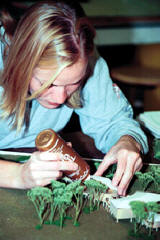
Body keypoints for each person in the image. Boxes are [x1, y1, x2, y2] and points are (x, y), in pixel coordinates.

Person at [0, 0, 148, 196]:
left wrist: (127, 141)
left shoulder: (85, 59)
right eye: (48, 84)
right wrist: (18, 176)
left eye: (74, 83)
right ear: (21, 63)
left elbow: (113, 121)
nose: (61, 98)